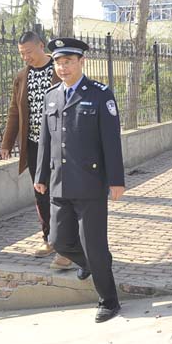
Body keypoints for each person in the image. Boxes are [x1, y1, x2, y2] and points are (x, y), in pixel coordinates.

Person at [34, 37, 125, 323]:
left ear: (81, 62)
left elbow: (111, 141)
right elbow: (45, 140)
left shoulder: (99, 94)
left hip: (89, 182)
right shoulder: (51, 96)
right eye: (58, 62)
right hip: (59, 182)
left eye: (68, 62)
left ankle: (109, 301)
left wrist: (116, 180)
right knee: (58, 241)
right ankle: (90, 263)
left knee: (94, 245)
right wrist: (41, 175)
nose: (62, 67)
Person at [0, 31, 61, 258]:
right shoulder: (21, 76)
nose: (25, 57)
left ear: (41, 46)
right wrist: (7, 142)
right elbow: (14, 111)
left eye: (28, 52)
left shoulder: (60, 70)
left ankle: (68, 238)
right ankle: (49, 239)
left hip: (60, 144)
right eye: (21, 54)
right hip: (35, 145)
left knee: (62, 192)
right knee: (41, 192)